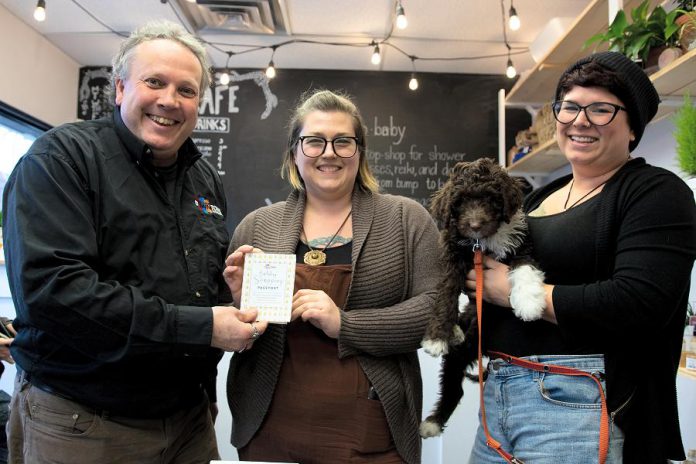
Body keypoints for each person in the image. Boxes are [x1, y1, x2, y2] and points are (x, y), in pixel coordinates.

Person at [1, 20, 267, 464]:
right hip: (85, 423)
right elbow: (56, 296)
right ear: (120, 88)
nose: (169, 100)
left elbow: (192, 293)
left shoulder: (203, 180)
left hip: (189, 422)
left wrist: (228, 292)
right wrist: (204, 326)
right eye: (155, 82)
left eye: (186, 90)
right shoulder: (61, 160)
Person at [465, 51, 696, 464]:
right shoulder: (540, 197)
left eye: (601, 109)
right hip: (499, 397)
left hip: (576, 404)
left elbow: (638, 303)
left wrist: (513, 291)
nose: (579, 120)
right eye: (569, 107)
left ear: (633, 128)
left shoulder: (656, 193)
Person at [223, 89, 441, 464]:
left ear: (360, 152)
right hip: (271, 429)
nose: (328, 153)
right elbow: (235, 334)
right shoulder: (257, 226)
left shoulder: (406, 219)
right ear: (294, 152)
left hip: (373, 430)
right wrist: (242, 306)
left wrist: (346, 324)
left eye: (343, 142)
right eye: (314, 142)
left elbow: (438, 311)